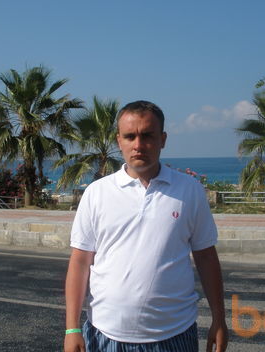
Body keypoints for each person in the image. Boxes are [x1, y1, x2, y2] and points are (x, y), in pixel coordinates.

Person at [64, 100, 228, 352]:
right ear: (119, 141)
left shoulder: (189, 190)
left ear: (163, 139)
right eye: (130, 136)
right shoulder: (97, 193)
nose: (138, 145)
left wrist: (219, 318)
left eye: (148, 136)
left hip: (174, 335)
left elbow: (206, 256)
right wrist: (72, 329)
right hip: (105, 335)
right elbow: (80, 261)